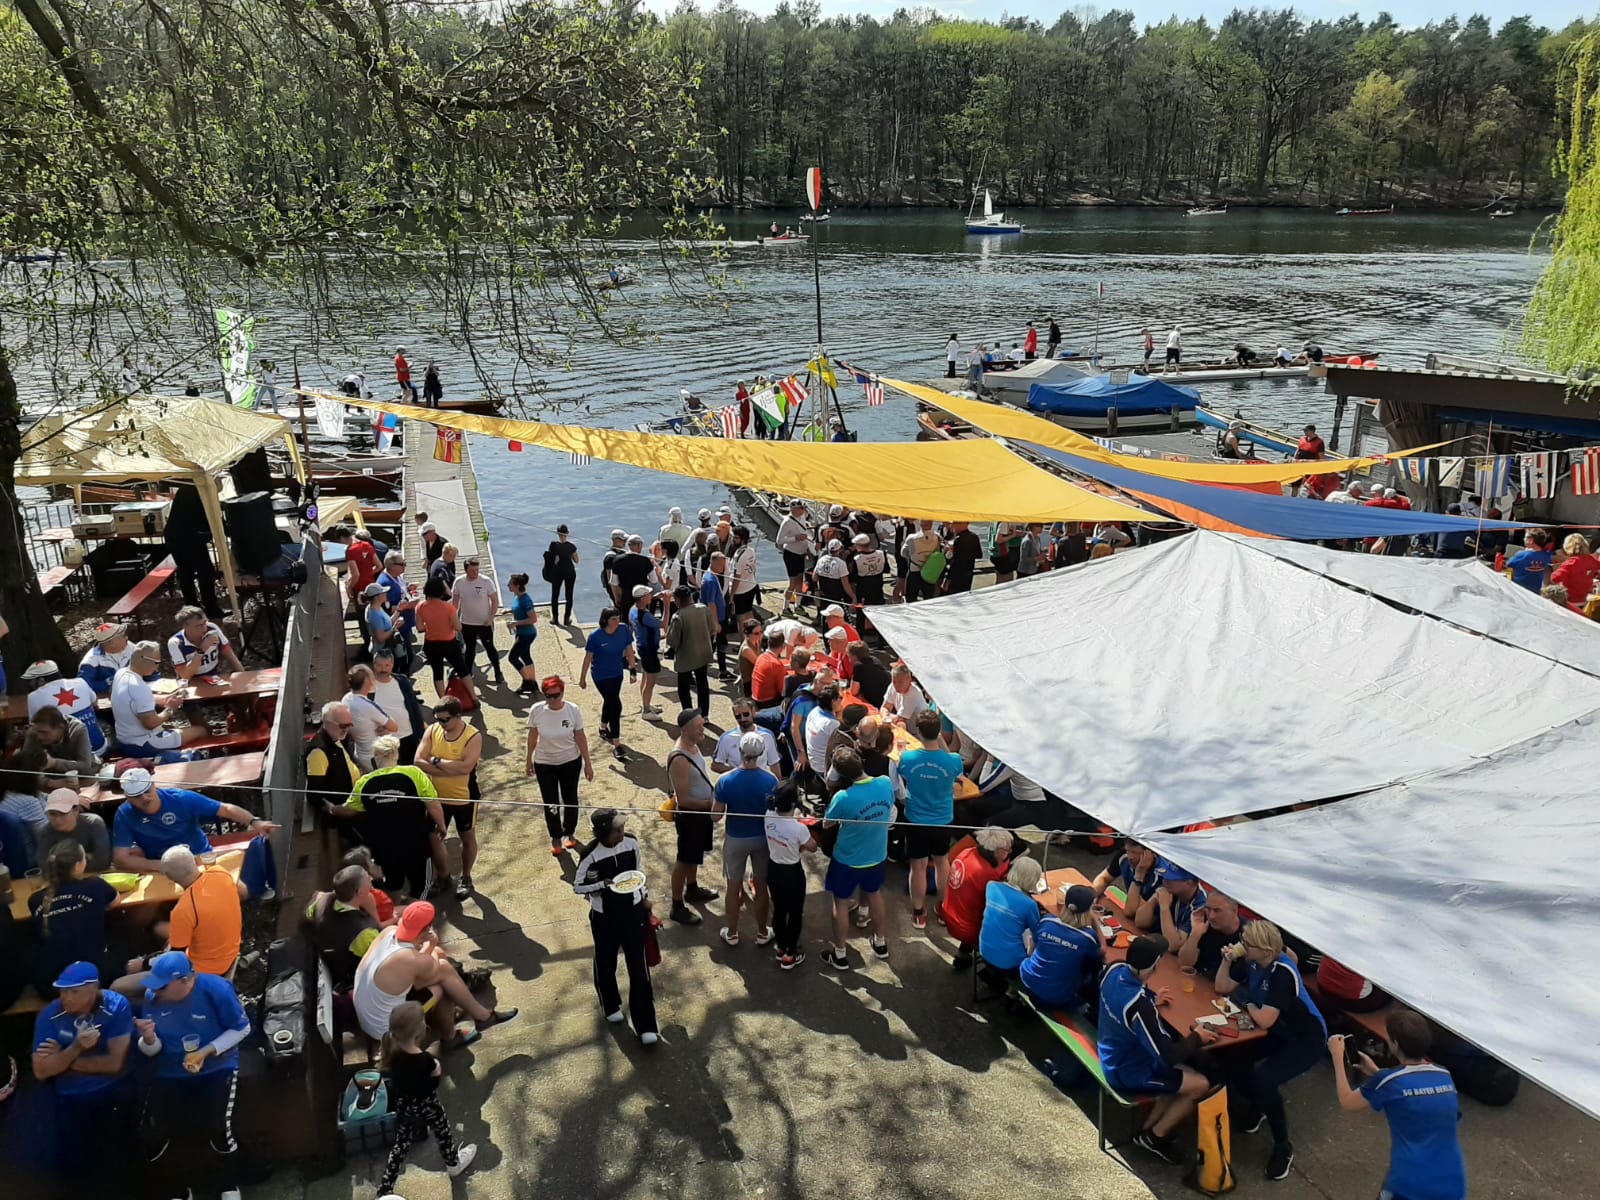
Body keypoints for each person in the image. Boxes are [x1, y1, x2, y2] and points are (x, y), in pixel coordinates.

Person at [1213, 920, 1328, 1181]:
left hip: (1305, 1038)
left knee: (1265, 1079)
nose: (1242, 946)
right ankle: (1258, 1107)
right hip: (1279, 1029)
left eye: (1247, 944)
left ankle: (1282, 1146)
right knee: (1235, 1056)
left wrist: (1247, 1000)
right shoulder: (1254, 961)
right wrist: (1227, 960)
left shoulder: (1281, 973)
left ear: (1264, 950)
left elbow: (1264, 1018)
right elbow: (1222, 987)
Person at [134, 951, 252, 1200]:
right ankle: (176, 1190)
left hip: (216, 1067)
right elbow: (151, 1050)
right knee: (154, 1133)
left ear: (185, 981)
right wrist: (148, 1038)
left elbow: (242, 1028)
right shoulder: (152, 998)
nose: (157, 992)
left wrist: (208, 1051)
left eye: (163, 987)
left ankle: (228, 1185)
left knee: (219, 1127)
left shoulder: (216, 989)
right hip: (170, 1071)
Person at [1099, 934, 1220, 1164]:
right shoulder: (1140, 1006)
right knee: (1200, 1084)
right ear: (1155, 965)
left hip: (1111, 1050)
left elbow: (1122, 1004)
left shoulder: (1114, 970)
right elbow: (1166, 1056)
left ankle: (1145, 1131)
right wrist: (1197, 1037)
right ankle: (1156, 1137)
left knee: (1183, 1075)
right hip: (1125, 1070)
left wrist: (1152, 1000)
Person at [1327, 1012, 1467, 1200]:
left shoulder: (1388, 1082)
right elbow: (1416, 1094)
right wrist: (1376, 1073)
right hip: (1452, 1181)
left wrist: (1337, 1056)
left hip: (1410, 1183)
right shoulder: (1443, 1074)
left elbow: (1347, 1101)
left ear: (1395, 1045)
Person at [352, 901, 514, 1044]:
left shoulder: (389, 932)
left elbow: (421, 968)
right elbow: (434, 968)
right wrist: (431, 943)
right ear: (427, 928)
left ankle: (470, 1002)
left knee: (439, 960)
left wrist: (431, 948)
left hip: (370, 1010)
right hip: (387, 1027)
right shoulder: (407, 957)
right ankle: (461, 1030)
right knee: (441, 981)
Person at [33, 961, 136, 1178]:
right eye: (62, 991)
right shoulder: (49, 1015)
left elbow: (114, 1064)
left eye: (73, 992)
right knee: (73, 1164)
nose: (65, 998)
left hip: (112, 1087)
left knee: (118, 1158)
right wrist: (77, 1048)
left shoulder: (117, 1006)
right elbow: (41, 1071)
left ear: (93, 989)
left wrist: (62, 1059)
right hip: (70, 1093)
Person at [574, 808, 658, 1043]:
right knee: (605, 961)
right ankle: (610, 1005)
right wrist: (603, 884)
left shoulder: (631, 843)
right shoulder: (590, 854)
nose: (622, 833)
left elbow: (638, 874)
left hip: (633, 913)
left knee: (639, 969)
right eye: (616, 830)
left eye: (622, 828)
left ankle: (646, 1025)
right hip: (605, 918)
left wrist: (645, 900)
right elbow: (578, 886)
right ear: (604, 834)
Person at [378, 1001, 478, 1194]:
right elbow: (431, 1083)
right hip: (427, 1105)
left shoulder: (391, 1051)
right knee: (442, 1131)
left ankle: (385, 1187)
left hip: (404, 1106)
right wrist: (437, 1071)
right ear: (419, 1032)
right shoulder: (425, 1060)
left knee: (401, 1143)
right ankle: (453, 1163)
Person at [112, 768, 274, 873]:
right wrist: (160, 866)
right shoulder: (124, 814)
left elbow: (225, 809)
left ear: (153, 784)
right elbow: (121, 859)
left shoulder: (181, 799)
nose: (144, 798)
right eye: (136, 795)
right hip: (162, 867)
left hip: (199, 858)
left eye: (146, 790)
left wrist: (254, 822)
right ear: (126, 796)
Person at [821, 747, 895, 970]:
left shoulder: (843, 797)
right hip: (877, 854)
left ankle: (840, 953)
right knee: (874, 894)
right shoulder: (884, 783)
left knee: (841, 902)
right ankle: (880, 942)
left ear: (842, 774)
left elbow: (827, 823)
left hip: (847, 859)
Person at [347, 736, 444, 899]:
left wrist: (333, 809)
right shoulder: (413, 773)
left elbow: (350, 809)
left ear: (375, 757)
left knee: (392, 886)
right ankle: (414, 915)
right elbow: (433, 804)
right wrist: (441, 825)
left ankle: (395, 914)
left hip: (384, 849)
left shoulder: (364, 782)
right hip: (416, 846)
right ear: (396, 755)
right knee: (420, 888)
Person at [893, 710, 965, 929]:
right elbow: (956, 774)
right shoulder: (953, 761)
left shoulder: (907, 758)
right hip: (942, 819)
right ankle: (943, 910)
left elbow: (902, 773)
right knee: (942, 862)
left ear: (920, 732)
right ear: (938, 733)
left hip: (916, 818)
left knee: (918, 866)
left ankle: (918, 912)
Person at [414, 698, 483, 899]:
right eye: (438, 719)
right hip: (436, 798)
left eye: (445, 720)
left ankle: (466, 877)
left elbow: (466, 768)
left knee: (467, 838)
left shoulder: (472, 736)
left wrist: (435, 761)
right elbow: (418, 761)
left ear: (458, 716)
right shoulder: (433, 730)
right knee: (433, 838)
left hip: (464, 798)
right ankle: (443, 877)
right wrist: (449, 769)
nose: (441, 724)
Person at [712, 732, 776, 948]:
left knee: (733, 885)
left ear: (739, 751)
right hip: (762, 839)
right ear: (760, 754)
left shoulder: (725, 780)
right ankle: (761, 931)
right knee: (761, 884)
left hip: (735, 838)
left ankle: (732, 933)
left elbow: (715, 816)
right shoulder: (770, 780)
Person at [30, 840, 118, 990]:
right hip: (98, 977)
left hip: (50, 984)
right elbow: (115, 902)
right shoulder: (95, 885)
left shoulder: (35, 899)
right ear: (78, 866)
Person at [525, 674, 594, 856]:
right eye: (549, 696)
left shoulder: (572, 710)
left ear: (563, 693)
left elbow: (580, 736)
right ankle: (555, 836)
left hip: (570, 761)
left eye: (557, 695)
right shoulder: (537, 711)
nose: (554, 700)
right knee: (550, 802)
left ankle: (569, 832)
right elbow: (532, 737)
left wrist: (588, 763)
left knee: (570, 799)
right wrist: (528, 760)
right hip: (545, 763)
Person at [160, 844, 244, 979]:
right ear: (195, 861)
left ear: (169, 878)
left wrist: (146, 964)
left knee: (125, 984)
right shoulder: (220, 872)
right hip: (232, 951)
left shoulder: (183, 909)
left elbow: (177, 958)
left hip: (205, 970)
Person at [665, 709, 718, 925]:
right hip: (691, 816)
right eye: (698, 727)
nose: (702, 729)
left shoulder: (693, 746)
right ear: (685, 730)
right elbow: (684, 799)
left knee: (693, 856)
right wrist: (711, 805)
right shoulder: (680, 758)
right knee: (684, 859)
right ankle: (676, 905)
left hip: (701, 815)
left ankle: (693, 889)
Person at [109, 642, 203, 760]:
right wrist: (170, 709)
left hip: (125, 740)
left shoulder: (120, 673)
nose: (157, 668)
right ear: (145, 661)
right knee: (201, 730)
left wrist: (164, 699)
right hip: (145, 743)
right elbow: (151, 724)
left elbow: (133, 700)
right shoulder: (139, 687)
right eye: (156, 663)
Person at [939, 827, 1015, 970]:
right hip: (968, 929)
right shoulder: (990, 873)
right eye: (1007, 850)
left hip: (948, 913)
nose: (1009, 852)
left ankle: (963, 955)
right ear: (996, 850)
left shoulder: (966, 853)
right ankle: (995, 972)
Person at [1020, 884, 1105, 1012]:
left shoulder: (1047, 921)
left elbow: (1034, 944)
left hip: (1028, 981)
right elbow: (1102, 952)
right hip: (1056, 998)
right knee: (1094, 974)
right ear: (1088, 911)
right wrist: (1096, 923)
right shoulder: (1088, 937)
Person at [763, 778, 818, 969]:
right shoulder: (799, 829)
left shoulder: (768, 815)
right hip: (792, 873)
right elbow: (812, 847)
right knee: (794, 913)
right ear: (794, 803)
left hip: (774, 869)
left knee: (779, 909)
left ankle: (780, 946)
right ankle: (790, 953)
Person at [303, 864, 384, 990]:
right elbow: (380, 960)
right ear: (360, 892)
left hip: (323, 959)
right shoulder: (364, 932)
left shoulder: (319, 901)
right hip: (348, 978)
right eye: (368, 879)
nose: (371, 880)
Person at [304, 701, 362, 870]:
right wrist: (332, 809)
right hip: (344, 812)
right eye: (342, 725)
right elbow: (314, 794)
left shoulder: (338, 737)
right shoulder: (318, 752)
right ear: (327, 722)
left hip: (353, 802)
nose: (346, 729)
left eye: (349, 725)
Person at [977, 855, 1043, 985]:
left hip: (984, 950)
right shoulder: (1029, 904)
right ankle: (1012, 992)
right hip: (1011, 964)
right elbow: (1038, 932)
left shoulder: (991, 886)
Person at [582, 607, 637, 759]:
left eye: (618, 618)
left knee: (610, 700)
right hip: (601, 676)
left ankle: (603, 726)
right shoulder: (595, 637)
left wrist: (633, 670)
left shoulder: (624, 630)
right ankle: (617, 744)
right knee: (616, 705)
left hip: (617, 673)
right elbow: (588, 658)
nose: (617, 622)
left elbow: (629, 650)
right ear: (606, 620)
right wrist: (582, 678)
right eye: (614, 619)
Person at [452, 557, 506, 688]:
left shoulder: (486, 581)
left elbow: (494, 601)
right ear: (466, 570)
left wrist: (491, 618)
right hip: (467, 623)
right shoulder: (459, 582)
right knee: (469, 649)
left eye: (476, 570)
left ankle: (498, 671)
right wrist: (453, 620)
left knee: (490, 648)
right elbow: (455, 603)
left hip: (484, 623)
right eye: (472, 570)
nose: (475, 573)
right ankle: (468, 673)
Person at [667, 583, 717, 719]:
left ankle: (689, 716)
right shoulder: (704, 609)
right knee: (702, 684)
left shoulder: (678, 616)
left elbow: (672, 641)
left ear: (677, 600)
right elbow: (713, 629)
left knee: (683, 688)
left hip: (685, 658)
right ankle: (704, 714)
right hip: (703, 654)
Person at [416, 576, 468, 700]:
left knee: (437, 673)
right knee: (462, 670)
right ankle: (473, 697)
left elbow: (419, 628)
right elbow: (458, 627)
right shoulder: (449, 607)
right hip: (449, 642)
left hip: (431, 643)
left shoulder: (420, 607)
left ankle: (443, 700)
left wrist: (431, 627)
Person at [35, 787, 111, 872]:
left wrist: (60, 861)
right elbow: (45, 867)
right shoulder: (45, 832)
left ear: (76, 810)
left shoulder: (94, 824)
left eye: (62, 813)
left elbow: (103, 862)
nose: (57, 819)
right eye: (52, 814)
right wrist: (86, 857)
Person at [1177, 890, 1250, 977]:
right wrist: (1195, 934)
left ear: (1234, 911)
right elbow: (1184, 964)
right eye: (1208, 909)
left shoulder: (1249, 935)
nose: (1211, 916)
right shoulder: (1204, 922)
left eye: (1217, 910)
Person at [1143, 862, 1209, 956]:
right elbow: (1140, 921)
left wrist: (1164, 908)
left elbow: (1173, 946)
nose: (1165, 881)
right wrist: (1154, 899)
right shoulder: (1169, 888)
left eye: (1171, 879)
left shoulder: (1200, 906)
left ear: (1189, 882)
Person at [343, 664, 399, 770]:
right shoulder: (367, 705)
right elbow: (394, 727)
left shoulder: (346, 699)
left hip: (359, 753)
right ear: (367, 682)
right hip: (375, 758)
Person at [24, 706, 98, 784]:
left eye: (44, 732)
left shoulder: (77, 730)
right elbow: (25, 769)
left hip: (79, 780)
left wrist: (54, 763)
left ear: (61, 728)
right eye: (37, 731)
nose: (39, 736)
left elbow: (85, 767)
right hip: (49, 781)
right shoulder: (33, 733)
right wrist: (50, 783)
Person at [167, 606, 241, 680]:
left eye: (205, 623)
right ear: (186, 626)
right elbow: (185, 675)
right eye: (199, 625)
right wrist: (202, 650)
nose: (204, 628)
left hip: (213, 675)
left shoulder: (212, 628)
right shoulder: (175, 643)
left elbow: (229, 654)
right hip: (191, 681)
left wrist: (242, 675)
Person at [629, 584, 664, 717]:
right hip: (649, 650)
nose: (651, 595)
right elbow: (664, 624)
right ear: (643, 598)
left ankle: (646, 704)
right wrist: (665, 603)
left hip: (642, 646)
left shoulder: (633, 610)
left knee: (645, 676)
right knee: (650, 681)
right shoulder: (645, 616)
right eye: (649, 594)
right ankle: (646, 710)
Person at [503, 572, 541, 692]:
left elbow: (533, 619)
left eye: (510, 584)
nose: (508, 585)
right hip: (522, 633)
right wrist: (510, 610)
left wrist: (515, 623)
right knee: (525, 656)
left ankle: (527, 682)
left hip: (527, 634)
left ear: (517, 585)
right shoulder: (517, 597)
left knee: (513, 657)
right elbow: (519, 609)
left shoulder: (526, 600)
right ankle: (532, 682)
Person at [77, 620, 135, 695]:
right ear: (112, 643)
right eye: (123, 636)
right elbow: (83, 685)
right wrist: (108, 684)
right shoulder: (91, 661)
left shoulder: (131, 647)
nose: (127, 637)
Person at [776, 498, 812, 613]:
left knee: (800, 580)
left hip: (801, 553)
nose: (803, 511)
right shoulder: (787, 522)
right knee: (792, 582)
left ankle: (798, 605)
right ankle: (786, 607)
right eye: (801, 509)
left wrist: (807, 550)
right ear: (794, 509)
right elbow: (779, 540)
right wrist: (795, 538)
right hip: (791, 554)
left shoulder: (802, 517)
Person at [700, 551, 730, 679]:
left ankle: (721, 669)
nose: (723, 568)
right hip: (716, 618)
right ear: (714, 563)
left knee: (718, 644)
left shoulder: (709, 576)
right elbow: (711, 604)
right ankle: (707, 669)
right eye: (722, 565)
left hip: (715, 617)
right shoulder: (711, 580)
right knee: (715, 645)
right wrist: (716, 623)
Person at [900, 519, 942, 602]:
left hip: (914, 570)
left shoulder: (912, 538)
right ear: (931, 524)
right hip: (929, 571)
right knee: (928, 598)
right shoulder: (937, 537)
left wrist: (912, 557)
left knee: (911, 598)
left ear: (920, 524)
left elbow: (903, 553)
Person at [545, 524, 579, 623]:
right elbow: (577, 560)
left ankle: (555, 618)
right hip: (569, 572)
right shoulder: (572, 547)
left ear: (557, 533)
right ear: (567, 533)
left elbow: (552, 558)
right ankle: (566, 618)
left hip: (557, 572)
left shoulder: (553, 545)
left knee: (555, 595)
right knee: (569, 595)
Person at [364, 581, 399, 662]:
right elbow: (381, 638)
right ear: (376, 597)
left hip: (385, 650)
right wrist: (394, 628)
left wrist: (399, 610)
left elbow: (387, 623)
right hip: (382, 653)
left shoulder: (376, 607)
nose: (386, 593)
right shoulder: (374, 615)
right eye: (383, 592)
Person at [945, 521, 983, 594]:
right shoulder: (974, 537)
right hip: (969, 571)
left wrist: (947, 579)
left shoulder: (958, 540)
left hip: (957, 575)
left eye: (955, 523)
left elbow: (954, 561)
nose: (953, 526)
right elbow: (979, 555)